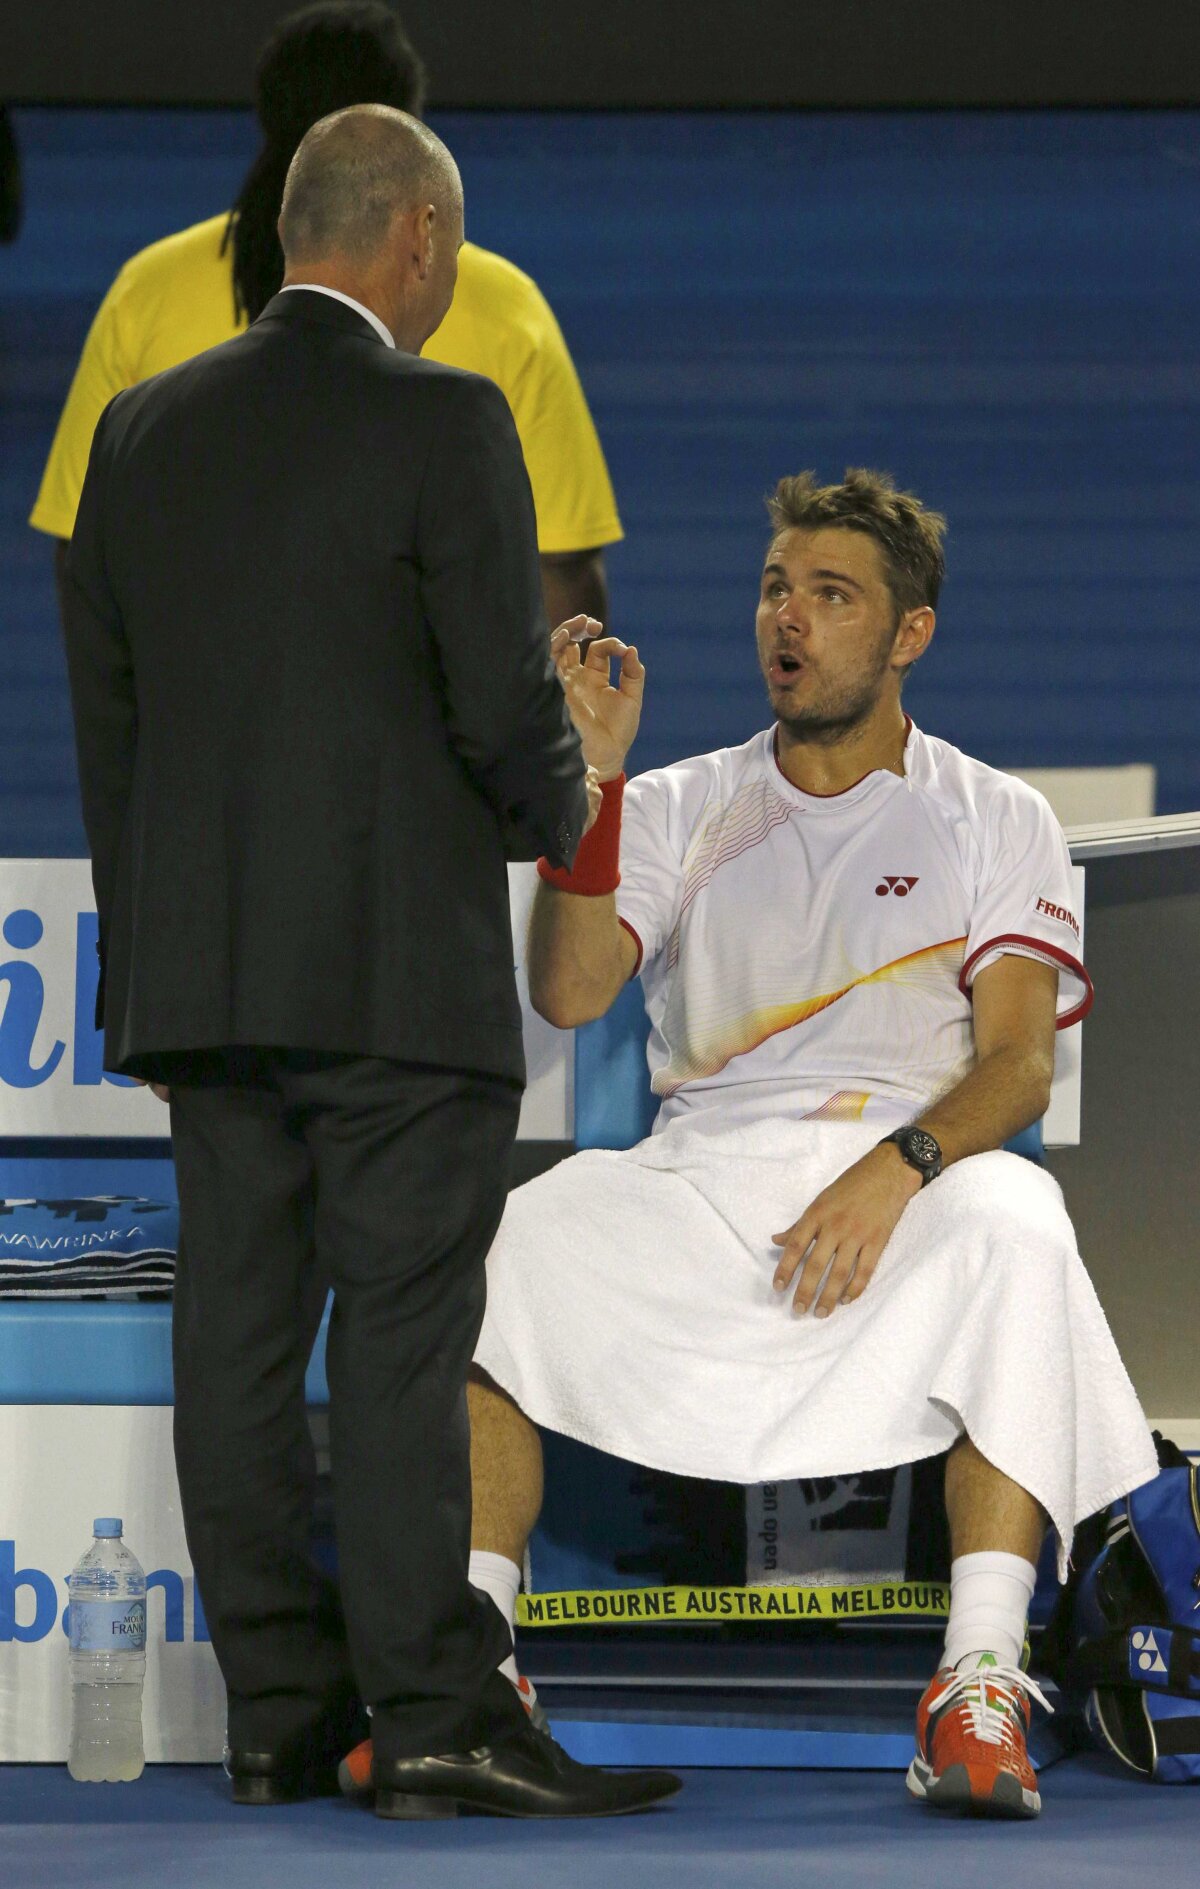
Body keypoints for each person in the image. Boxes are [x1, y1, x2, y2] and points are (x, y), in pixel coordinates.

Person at [342, 468, 1160, 1820]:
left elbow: (1016, 1062)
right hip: (704, 1184)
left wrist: (895, 1166)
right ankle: (474, 1662)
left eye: (833, 596)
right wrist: (590, 787)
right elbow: (570, 992)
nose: (790, 619)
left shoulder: (994, 814)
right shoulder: (675, 807)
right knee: (506, 1240)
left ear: (911, 635)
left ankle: (979, 1680)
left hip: (906, 1188)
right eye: (777, 588)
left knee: (1021, 1223)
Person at [60, 101, 678, 1822]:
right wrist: (572, 781)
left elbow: (109, 726)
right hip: (398, 980)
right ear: (413, 237)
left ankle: (277, 1713)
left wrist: (164, 934)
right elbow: (499, 705)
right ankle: (430, 1715)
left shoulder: (136, 434)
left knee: (238, 1345)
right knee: (404, 1343)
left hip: (203, 975)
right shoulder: (448, 416)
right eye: (453, 246)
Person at [31, 1, 620, 631]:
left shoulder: (146, 293)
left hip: (195, 717)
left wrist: (131, 726)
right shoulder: (504, 306)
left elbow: (83, 549)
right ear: (409, 137)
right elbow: (561, 571)